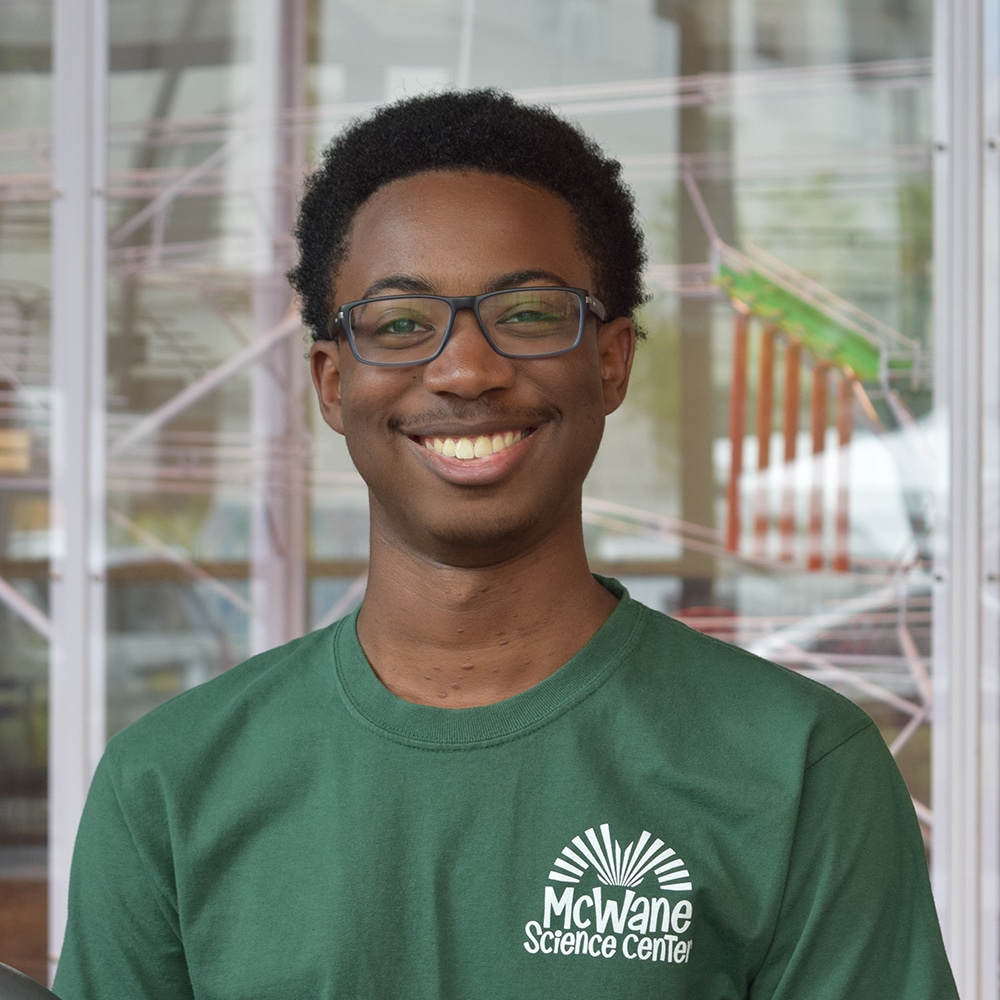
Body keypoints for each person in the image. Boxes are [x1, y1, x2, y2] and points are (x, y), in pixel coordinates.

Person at [53, 89, 958, 999]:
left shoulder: (798, 770)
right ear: (333, 383)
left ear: (610, 361)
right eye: (401, 324)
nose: (466, 369)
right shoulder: (168, 786)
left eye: (527, 313)